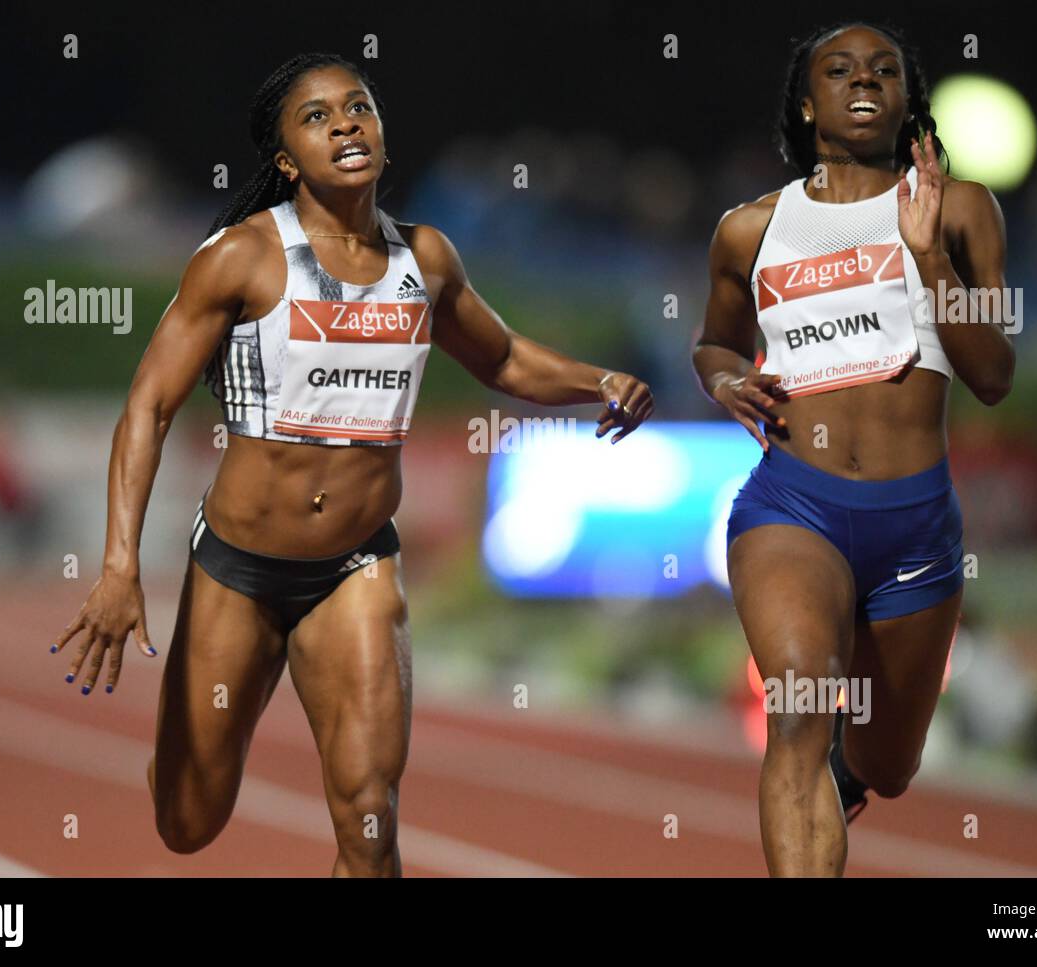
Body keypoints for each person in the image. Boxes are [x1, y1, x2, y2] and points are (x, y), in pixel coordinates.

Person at [52, 52, 653, 877]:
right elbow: (148, 407)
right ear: (287, 160)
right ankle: (183, 751)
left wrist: (601, 381)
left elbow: (505, 359)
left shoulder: (427, 261)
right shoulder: (241, 258)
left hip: (356, 566)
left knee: (370, 815)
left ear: (382, 134)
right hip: (239, 570)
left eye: (359, 106)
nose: (345, 123)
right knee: (187, 820)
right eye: (318, 116)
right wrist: (119, 567)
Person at [692, 22, 1014, 876]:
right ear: (807, 103)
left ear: (908, 99)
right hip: (793, 506)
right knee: (797, 708)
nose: (862, 80)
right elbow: (714, 344)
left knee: (888, 766)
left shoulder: (966, 208)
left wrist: (926, 256)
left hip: (914, 525)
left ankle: (851, 773)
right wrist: (727, 383)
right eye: (838, 70)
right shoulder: (750, 229)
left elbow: (992, 374)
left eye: (883, 70)